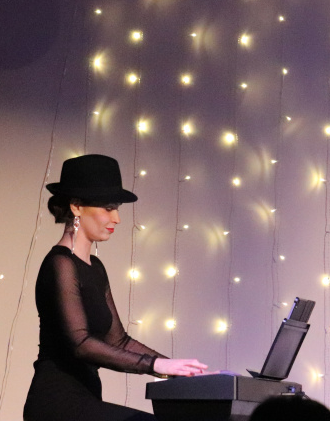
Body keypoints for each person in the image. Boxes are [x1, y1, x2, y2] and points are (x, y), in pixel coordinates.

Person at [23, 154, 207, 421]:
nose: (117, 218)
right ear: (76, 207)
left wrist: (180, 370)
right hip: (56, 403)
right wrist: (156, 365)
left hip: (85, 399)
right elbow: (81, 344)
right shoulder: (60, 265)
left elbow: (118, 340)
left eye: (117, 208)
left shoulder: (95, 267)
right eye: (108, 208)